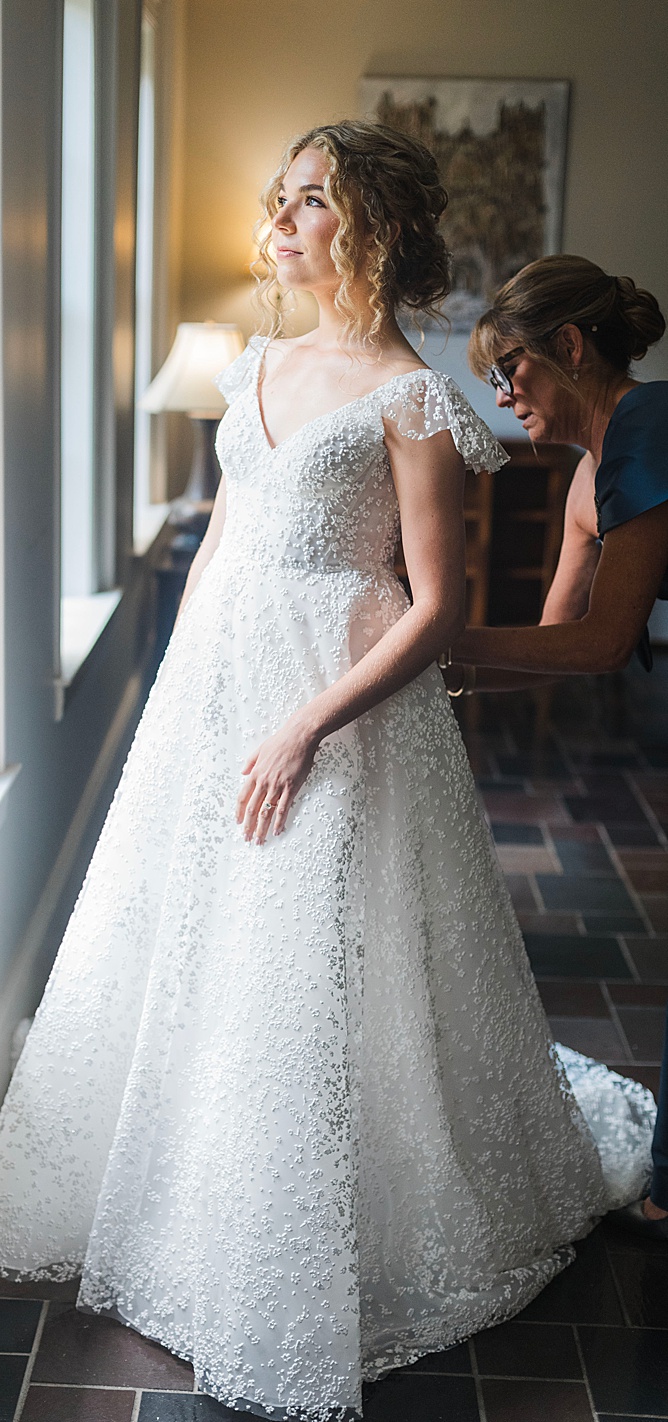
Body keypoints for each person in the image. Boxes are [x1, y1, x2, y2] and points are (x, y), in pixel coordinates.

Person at [0, 124, 655, 1421]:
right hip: (217, 693)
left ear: (371, 224)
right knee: (198, 945)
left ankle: (293, 1246)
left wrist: (304, 726)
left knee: (314, 962)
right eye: (278, 197)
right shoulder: (260, 363)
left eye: (310, 200)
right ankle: (180, 1199)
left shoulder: (411, 396)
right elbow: (223, 539)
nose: (280, 217)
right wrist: (183, 701)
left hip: (340, 712)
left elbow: (437, 607)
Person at [442, 254, 668, 1240]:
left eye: (512, 369)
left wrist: (443, 642)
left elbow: (608, 641)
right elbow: (552, 646)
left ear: (570, 348)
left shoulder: (649, 427)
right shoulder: (586, 479)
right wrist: (413, 663)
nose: (499, 393)